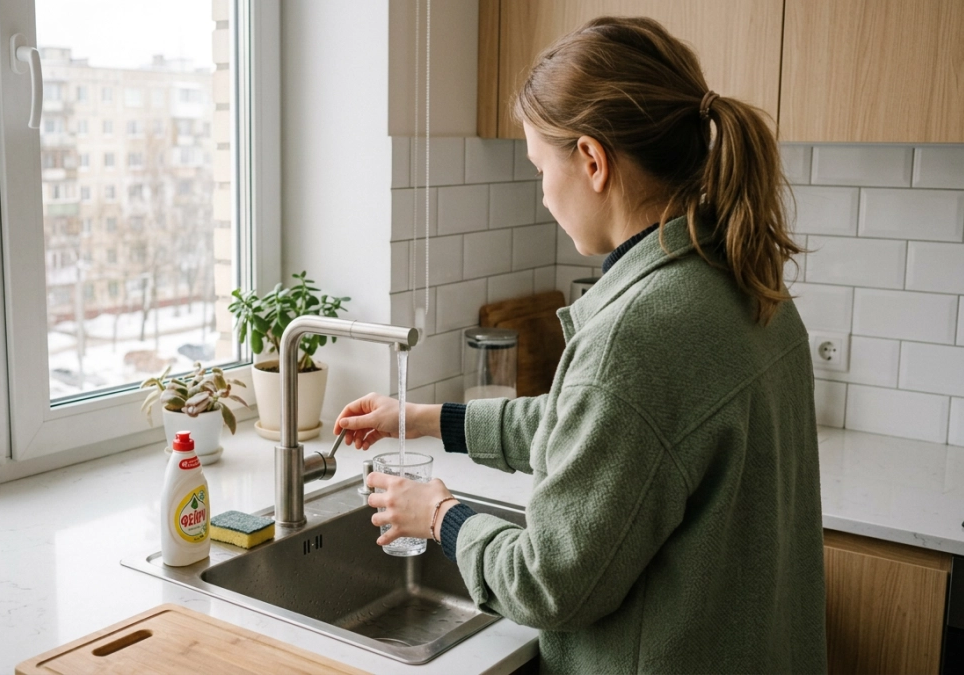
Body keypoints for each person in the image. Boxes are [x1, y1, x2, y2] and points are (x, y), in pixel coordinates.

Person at [334, 15, 826, 674]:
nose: (542, 194)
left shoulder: (637, 334)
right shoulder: (742, 275)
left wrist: (442, 514)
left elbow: (547, 583)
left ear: (593, 161)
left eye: (541, 167)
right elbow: (599, 425)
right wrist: (423, 419)